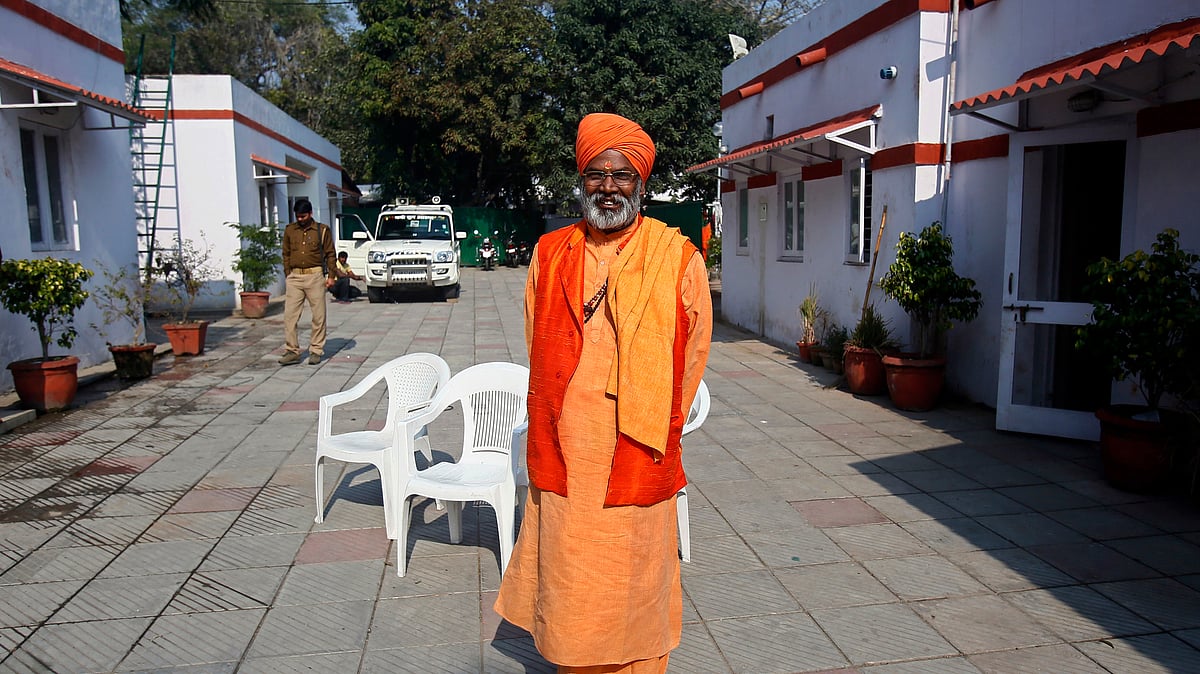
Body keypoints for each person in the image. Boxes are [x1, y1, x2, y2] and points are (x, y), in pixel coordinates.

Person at [495, 113, 713, 673]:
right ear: (581, 179)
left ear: (640, 183)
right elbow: (536, 343)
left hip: (637, 450)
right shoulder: (549, 254)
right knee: (572, 582)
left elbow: (691, 360)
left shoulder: (677, 257)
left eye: (621, 176)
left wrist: (652, 418)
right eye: (596, 175)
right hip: (567, 451)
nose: (608, 187)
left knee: (636, 578)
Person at [279, 199, 336, 365]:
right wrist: (288, 273)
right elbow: (286, 253)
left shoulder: (322, 230)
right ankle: (292, 350)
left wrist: (331, 275)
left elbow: (330, 254)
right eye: (298, 216)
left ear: (310, 214)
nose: (300, 219)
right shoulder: (290, 230)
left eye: (303, 216)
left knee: (318, 316)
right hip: (295, 277)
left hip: (315, 275)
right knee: (290, 316)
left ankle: (316, 350)